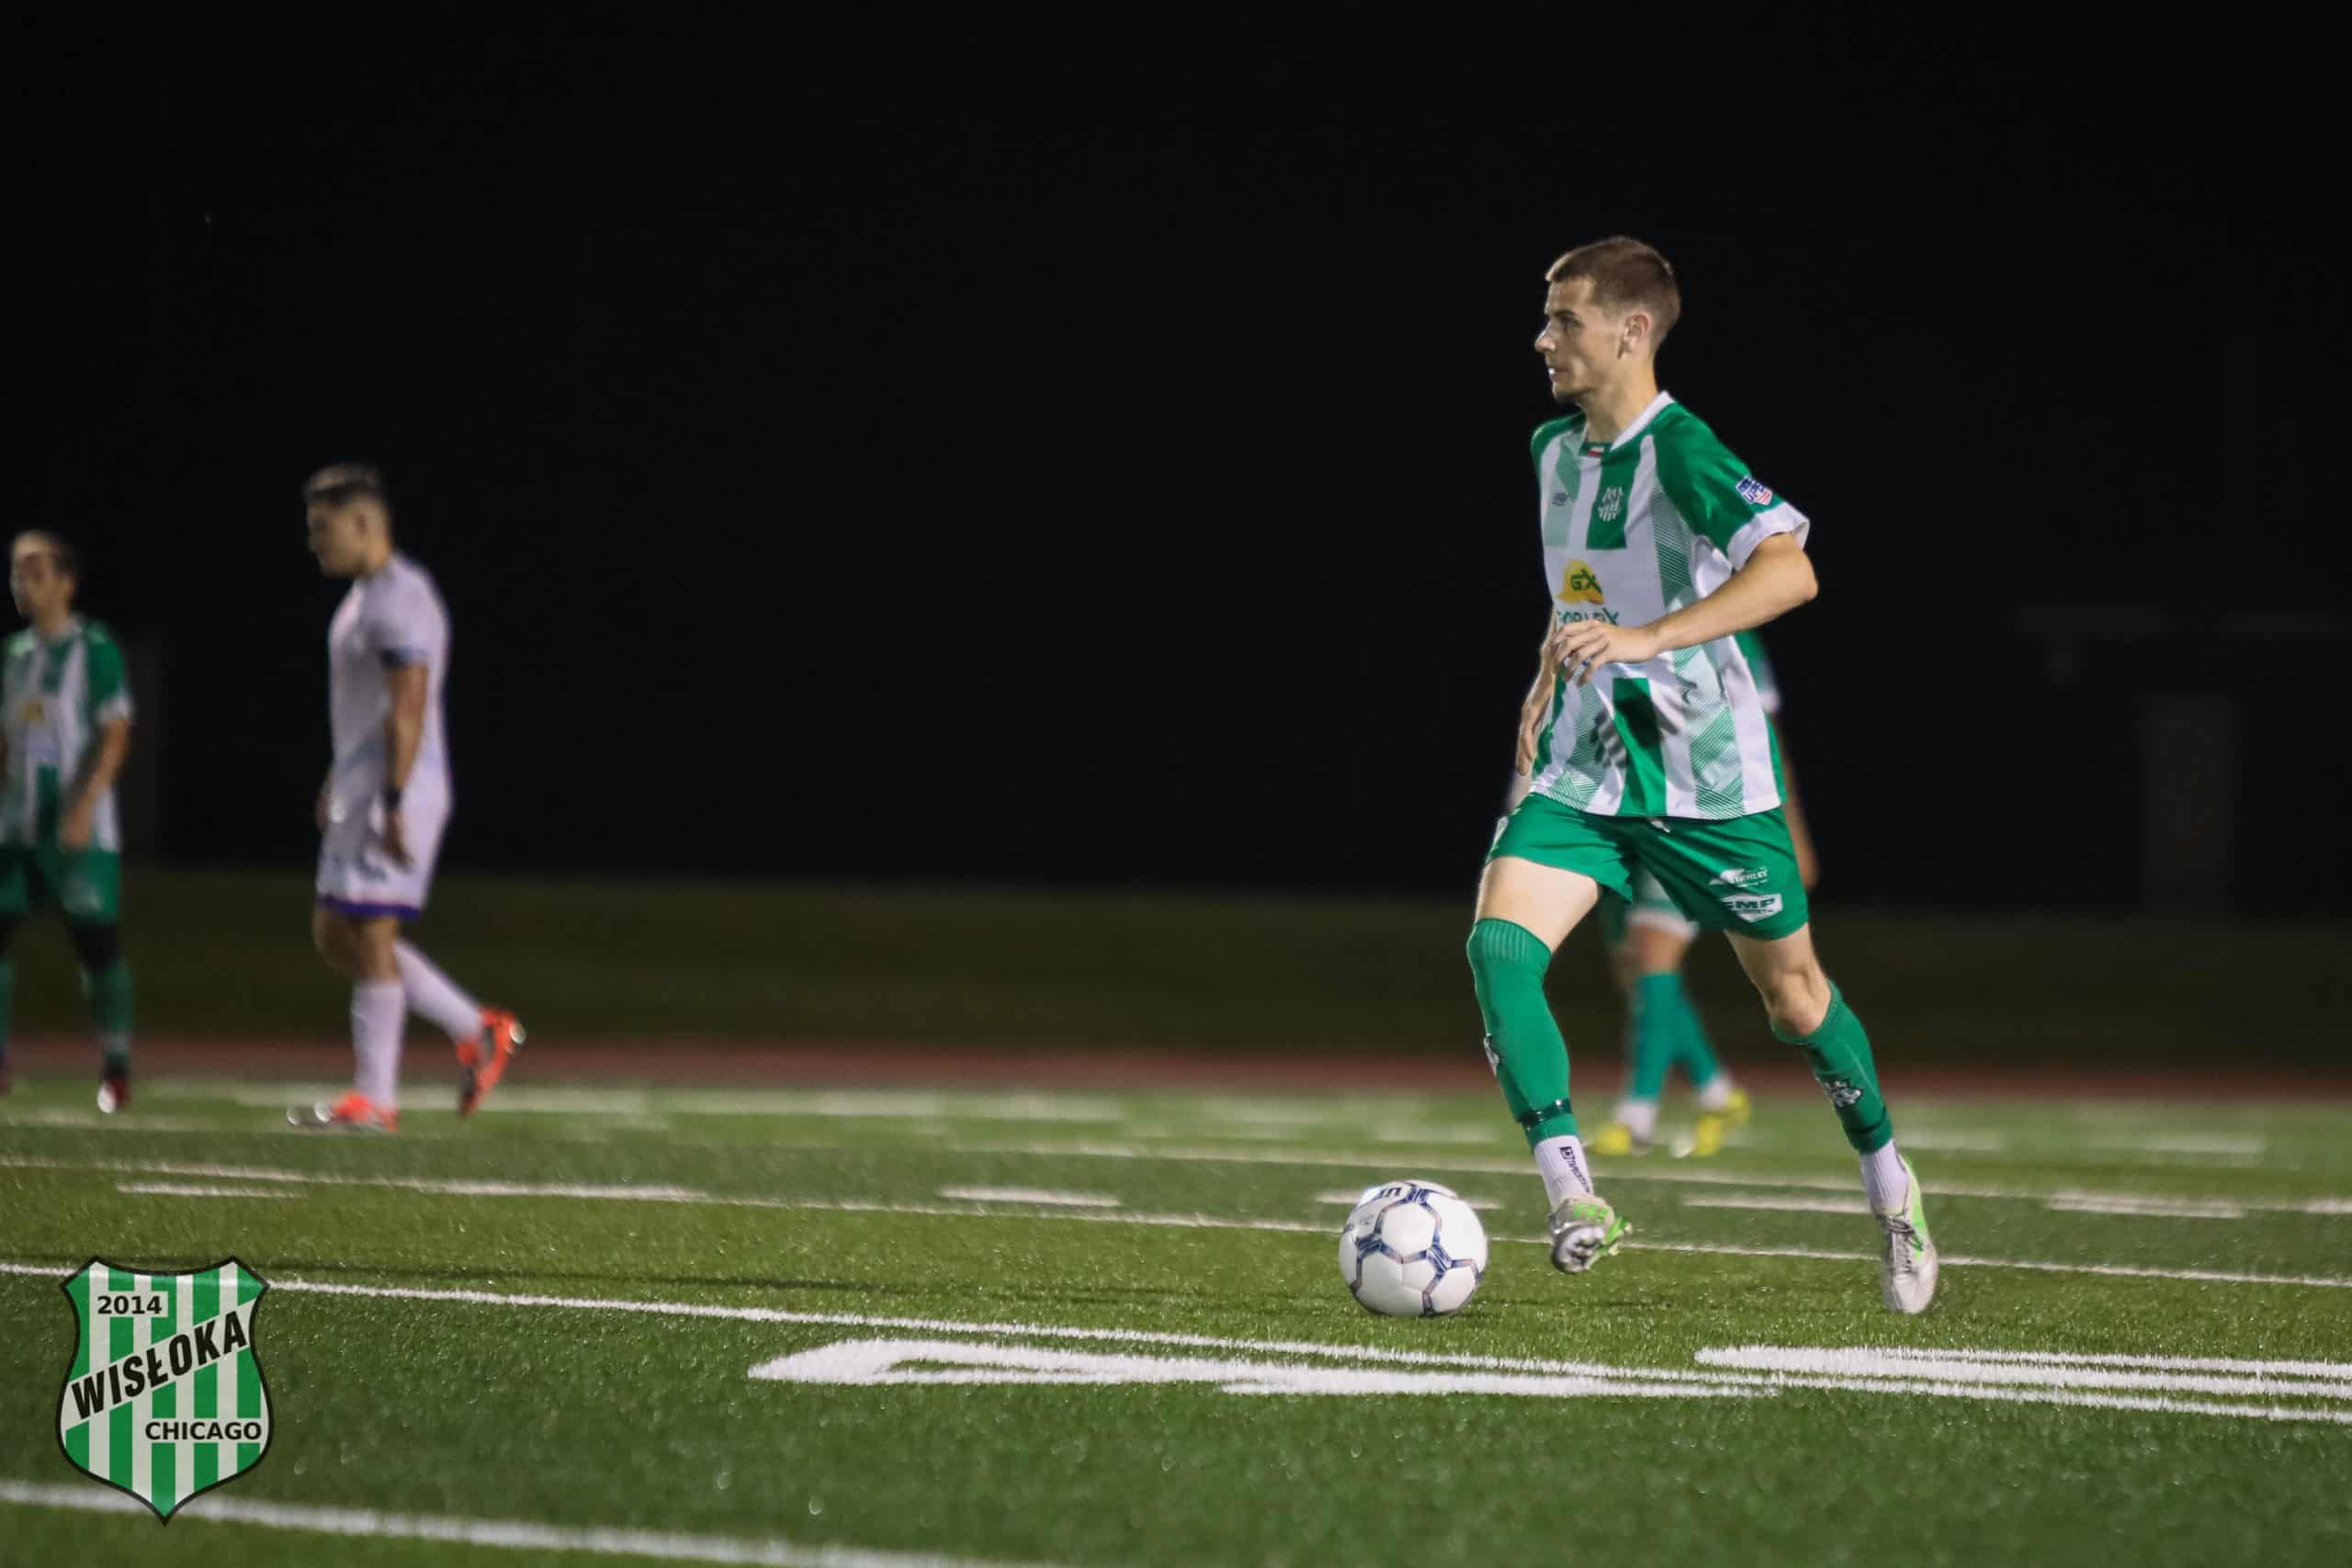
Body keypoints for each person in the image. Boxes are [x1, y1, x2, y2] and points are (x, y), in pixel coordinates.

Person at [1464, 237, 1937, 1313]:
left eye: (1565, 319)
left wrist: (1646, 640)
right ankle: (1574, 1195)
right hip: (1587, 766)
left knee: (1794, 1002)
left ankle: (1889, 1185)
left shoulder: (1679, 449)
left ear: (1631, 331)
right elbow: (1581, 588)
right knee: (1498, 947)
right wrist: (1548, 667)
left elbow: (1792, 571)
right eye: (1546, 317)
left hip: (1705, 782)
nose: (1543, 339)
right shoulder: (1551, 451)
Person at [289, 463, 523, 1132]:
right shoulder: (363, 598)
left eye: (324, 528)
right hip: (363, 784)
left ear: (365, 522)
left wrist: (393, 798)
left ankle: (374, 1097)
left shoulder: (399, 596)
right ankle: (476, 1027)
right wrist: (339, 778)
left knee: (371, 931)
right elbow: (367, 711)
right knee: (335, 932)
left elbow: (409, 704)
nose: (315, 541)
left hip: (399, 785)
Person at [1583, 631, 1818, 1159]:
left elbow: (1766, 736)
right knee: (1635, 969)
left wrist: (1792, 827)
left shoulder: (1730, 632)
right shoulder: (1609, 615)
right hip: (1624, 811)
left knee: (1652, 952)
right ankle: (1717, 1094)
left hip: (1698, 814)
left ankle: (1637, 1116)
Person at [0, 532, 136, 1110]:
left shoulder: (95, 649)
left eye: (36, 572)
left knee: (96, 947)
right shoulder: (13, 655)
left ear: (66, 582)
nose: (23, 583)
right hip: (15, 829)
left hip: (81, 831)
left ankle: (116, 1070)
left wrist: (83, 807)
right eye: (17, 572)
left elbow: (115, 735)